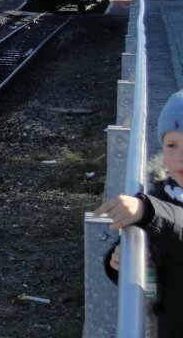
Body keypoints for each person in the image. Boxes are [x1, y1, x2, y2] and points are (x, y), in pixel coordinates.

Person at [95, 90, 183, 337]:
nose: (180, 157)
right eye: (172, 145)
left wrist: (147, 211)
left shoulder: (153, 206)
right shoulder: (160, 195)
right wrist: (119, 262)